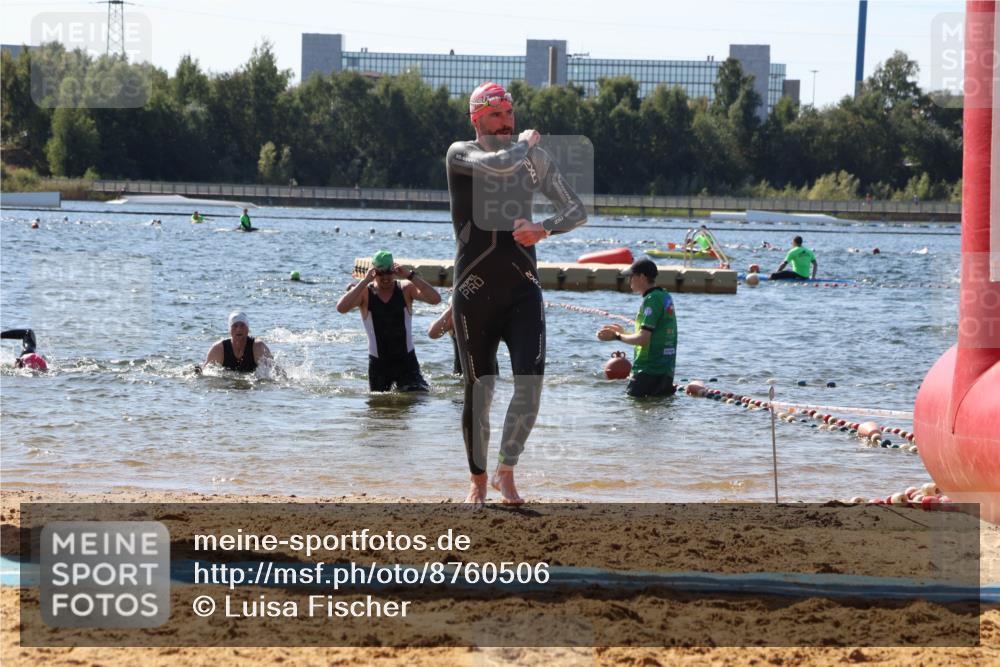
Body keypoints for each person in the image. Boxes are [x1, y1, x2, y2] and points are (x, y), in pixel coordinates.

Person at [446, 81, 587, 506]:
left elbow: (576, 210)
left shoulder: (532, 159)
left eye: (510, 115)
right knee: (480, 389)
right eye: (496, 116)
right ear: (477, 119)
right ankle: (477, 478)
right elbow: (500, 166)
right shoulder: (461, 155)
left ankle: (506, 470)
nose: (507, 123)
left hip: (523, 292)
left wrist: (543, 228)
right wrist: (524, 147)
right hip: (473, 293)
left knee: (531, 383)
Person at [336, 250, 441, 392]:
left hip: (406, 362)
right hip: (379, 365)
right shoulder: (365, 293)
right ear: (373, 272)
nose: (385, 277)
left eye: (389, 272)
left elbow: (435, 299)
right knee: (379, 410)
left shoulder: (405, 288)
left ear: (394, 271)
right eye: (380, 273)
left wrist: (410, 275)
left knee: (417, 398)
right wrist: (364, 281)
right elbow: (341, 308)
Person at [597, 259, 677, 398]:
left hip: (648, 370)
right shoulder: (664, 296)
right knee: (657, 413)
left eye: (631, 276)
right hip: (665, 371)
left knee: (634, 411)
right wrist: (625, 333)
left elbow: (643, 339)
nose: (629, 281)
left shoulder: (651, 299)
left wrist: (616, 336)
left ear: (642, 277)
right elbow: (652, 335)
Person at [197, 311, 276, 374]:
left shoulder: (258, 347)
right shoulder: (219, 349)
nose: (238, 329)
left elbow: (275, 371)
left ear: (248, 329)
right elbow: (204, 371)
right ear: (229, 330)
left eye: (242, 325)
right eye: (235, 326)